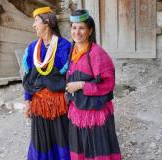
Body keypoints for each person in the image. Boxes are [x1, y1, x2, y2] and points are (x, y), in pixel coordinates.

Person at [65, 9, 122, 160]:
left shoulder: (98, 54)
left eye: (82, 28)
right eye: (74, 28)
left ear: (90, 31)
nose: (77, 32)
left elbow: (108, 83)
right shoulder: (73, 51)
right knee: (81, 149)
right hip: (77, 111)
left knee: (97, 150)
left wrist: (83, 85)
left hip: (95, 114)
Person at [22, 7, 71, 160]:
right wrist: (27, 101)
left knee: (61, 140)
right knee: (41, 142)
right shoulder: (32, 48)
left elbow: (70, 78)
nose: (34, 25)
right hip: (39, 106)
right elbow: (29, 78)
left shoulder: (64, 46)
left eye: (36, 21)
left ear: (47, 22)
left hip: (59, 106)